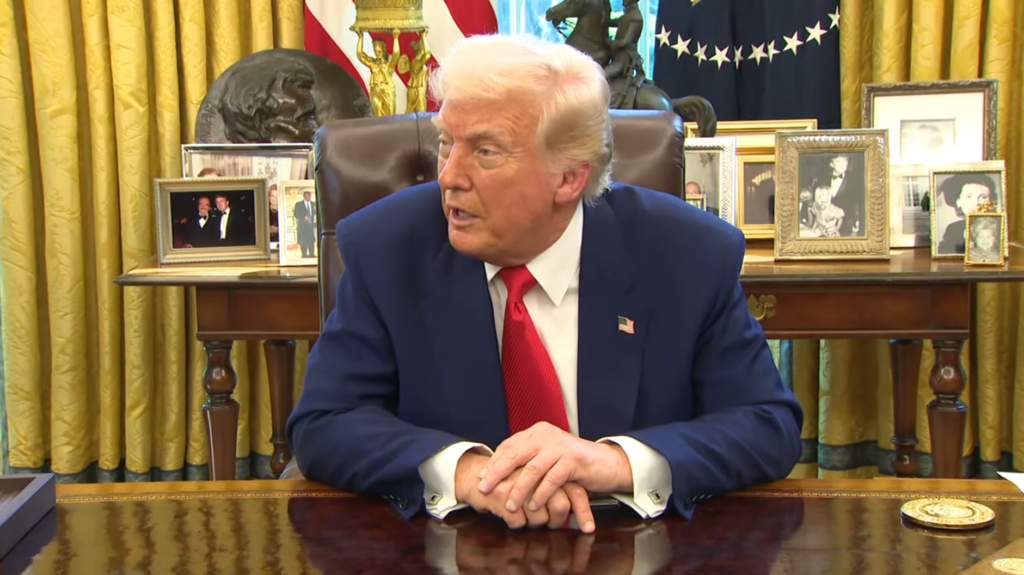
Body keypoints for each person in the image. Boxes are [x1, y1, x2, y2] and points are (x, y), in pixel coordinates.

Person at [286, 34, 802, 533]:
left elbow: (766, 425)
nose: (449, 176)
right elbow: (325, 422)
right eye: (446, 142)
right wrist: (468, 472)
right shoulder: (387, 250)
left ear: (569, 177)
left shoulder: (688, 256)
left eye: (486, 151)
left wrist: (611, 463)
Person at [356, 30, 401, 117]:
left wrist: (396, 37)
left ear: (384, 50)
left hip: (387, 90)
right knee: (377, 118)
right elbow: (360, 55)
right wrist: (360, 38)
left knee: (391, 117)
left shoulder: (388, 64)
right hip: (376, 90)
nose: (377, 54)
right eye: (375, 51)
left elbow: (396, 55)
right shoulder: (372, 63)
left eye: (379, 51)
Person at [293, 190, 317, 258]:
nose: (308, 197)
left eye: (309, 196)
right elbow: (296, 214)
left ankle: (312, 254)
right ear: (304, 196)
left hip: (311, 226)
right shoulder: (298, 204)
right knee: (303, 241)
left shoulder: (313, 204)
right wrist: (303, 217)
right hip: (302, 226)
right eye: (306, 196)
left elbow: (316, 213)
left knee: (311, 240)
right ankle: (304, 254)